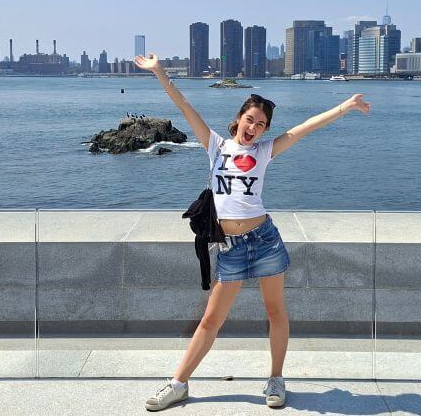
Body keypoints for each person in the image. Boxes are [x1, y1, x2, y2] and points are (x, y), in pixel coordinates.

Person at [134, 53, 370, 411]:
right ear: (238, 119)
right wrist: (159, 72)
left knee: (276, 313)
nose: (253, 127)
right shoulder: (216, 146)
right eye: (250, 119)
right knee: (210, 320)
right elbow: (183, 105)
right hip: (230, 247)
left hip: (264, 242)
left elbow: (306, 128)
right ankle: (178, 383)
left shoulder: (265, 151)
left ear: (264, 130)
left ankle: (276, 379)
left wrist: (346, 106)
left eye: (261, 124)